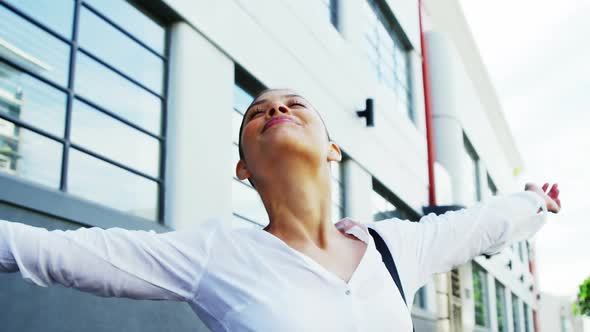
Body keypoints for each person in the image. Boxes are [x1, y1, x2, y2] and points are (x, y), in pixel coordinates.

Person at [0, 89, 561, 331]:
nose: (277, 109)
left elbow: (475, 227)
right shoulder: (217, 253)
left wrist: (534, 202)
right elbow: (60, 253)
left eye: (295, 105)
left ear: (332, 150)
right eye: (256, 112)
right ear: (243, 167)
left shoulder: (392, 247)